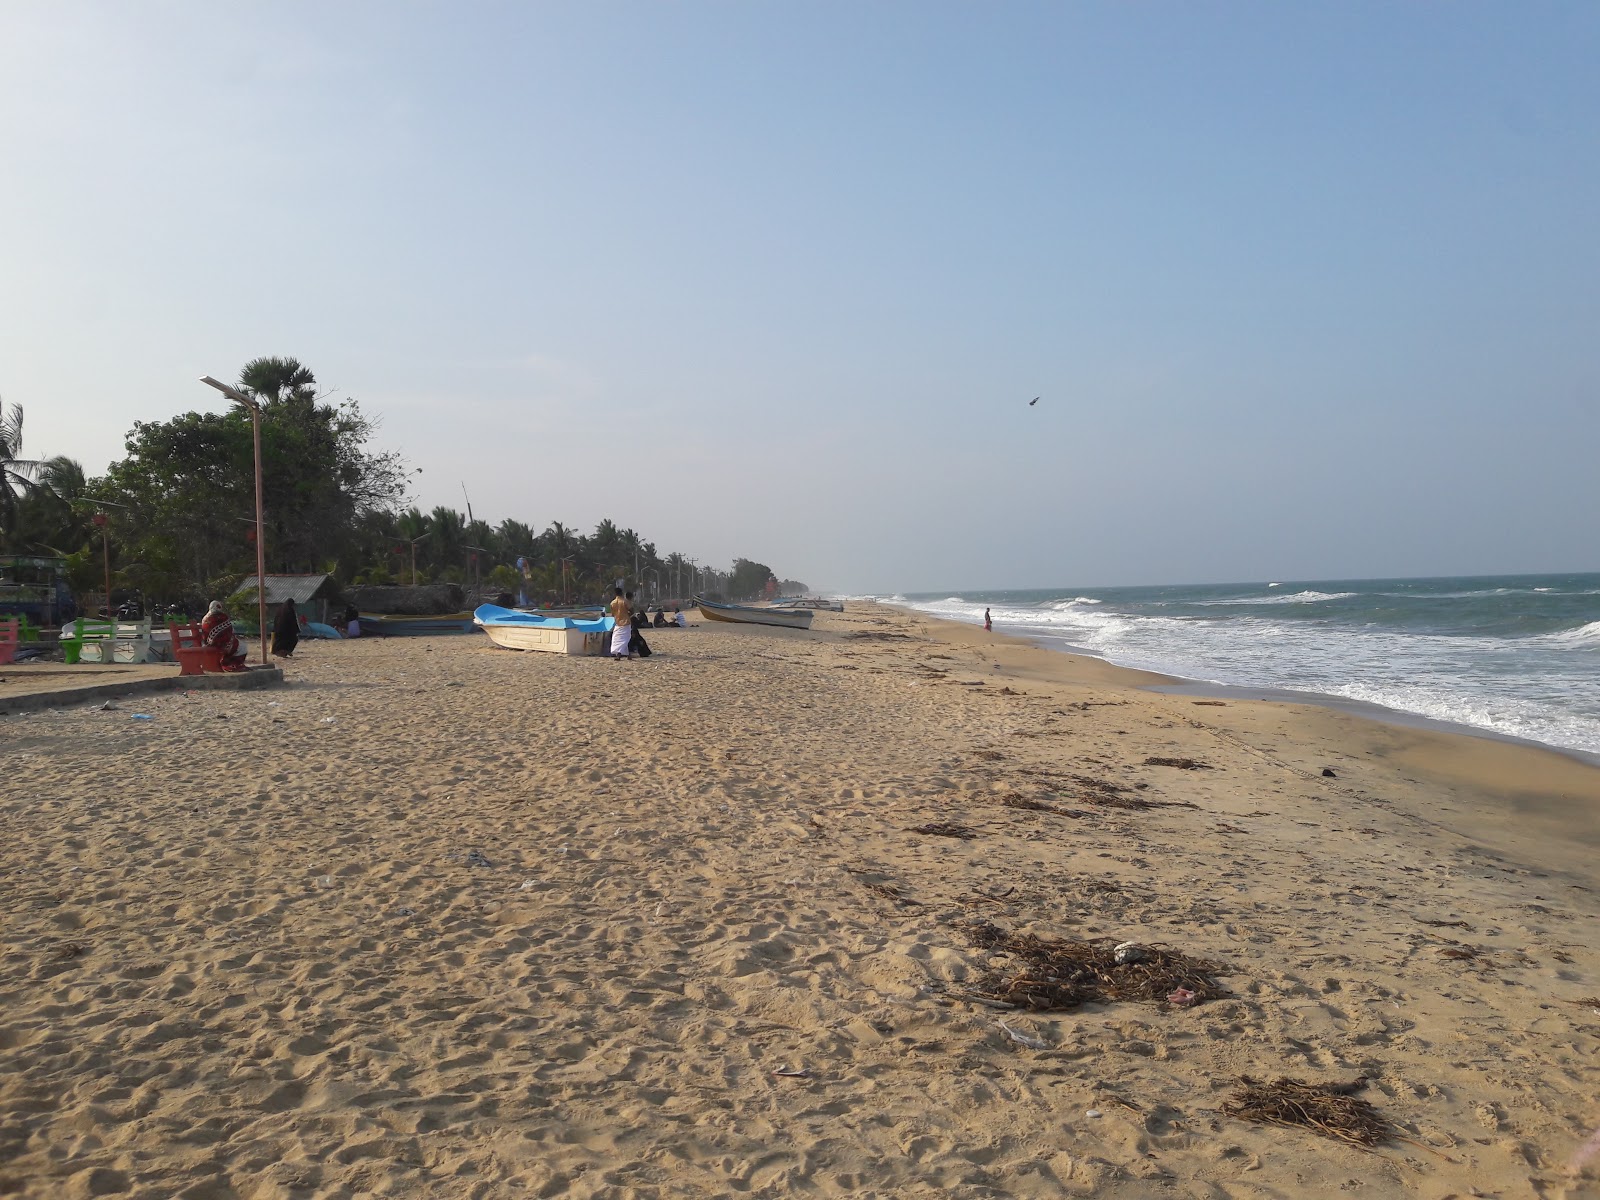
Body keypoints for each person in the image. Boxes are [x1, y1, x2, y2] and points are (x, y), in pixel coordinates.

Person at [200, 601, 248, 670]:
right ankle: (231, 664)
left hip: (208, 643)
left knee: (237, 645)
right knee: (242, 647)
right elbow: (230, 630)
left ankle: (229, 664)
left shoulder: (205, 618)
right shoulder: (222, 617)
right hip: (221, 643)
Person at [608, 587, 633, 659]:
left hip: (618, 622)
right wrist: (628, 615)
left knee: (618, 639)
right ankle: (620, 654)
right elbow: (632, 610)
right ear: (621, 593)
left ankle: (627, 655)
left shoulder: (612, 603)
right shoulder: (625, 601)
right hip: (626, 622)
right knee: (625, 639)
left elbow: (612, 614)